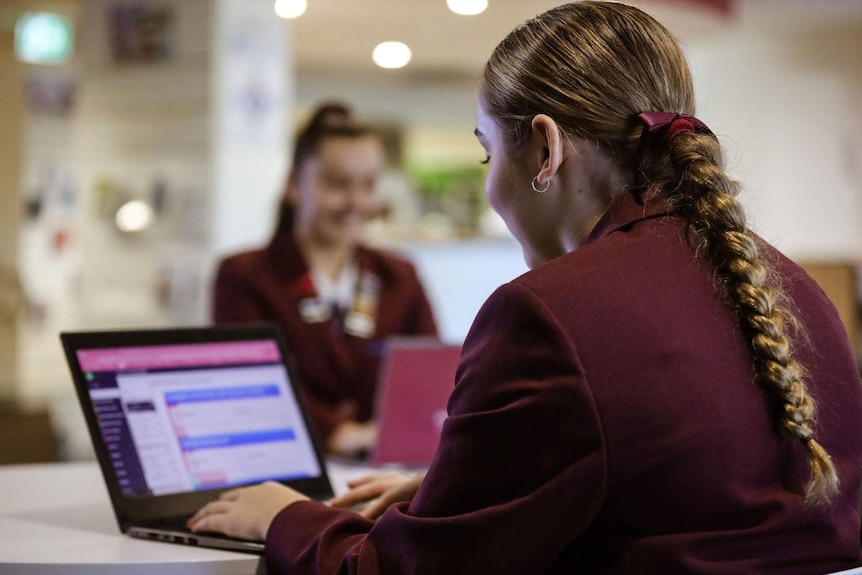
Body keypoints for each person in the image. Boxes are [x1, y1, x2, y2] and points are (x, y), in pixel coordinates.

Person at [191, 3, 862, 573]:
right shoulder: (795, 290)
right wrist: (469, 491)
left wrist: (284, 517)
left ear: (546, 149)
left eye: (487, 152)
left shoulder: (548, 314)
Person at [211, 102, 438, 457]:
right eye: (337, 184)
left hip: (382, 473)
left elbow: (429, 378)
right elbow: (249, 383)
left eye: (369, 184)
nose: (356, 202)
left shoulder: (399, 276)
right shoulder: (245, 275)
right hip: (286, 465)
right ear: (292, 184)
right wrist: (337, 432)